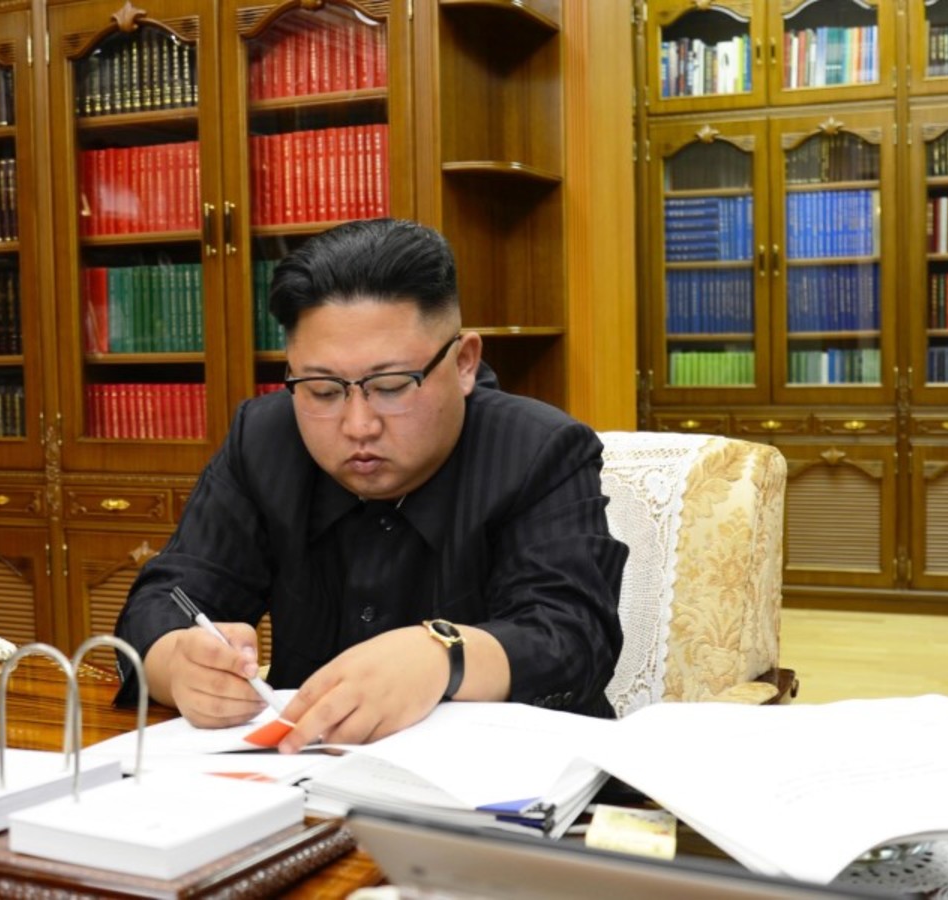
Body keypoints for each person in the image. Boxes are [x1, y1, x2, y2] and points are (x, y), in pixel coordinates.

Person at [114, 218, 627, 753]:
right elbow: (167, 598)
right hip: (303, 777)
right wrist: (178, 664)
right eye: (322, 390)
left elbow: (573, 637)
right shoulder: (263, 440)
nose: (358, 425)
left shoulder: (539, 450)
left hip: (502, 778)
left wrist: (444, 656)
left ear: (464, 363)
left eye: (391, 386)